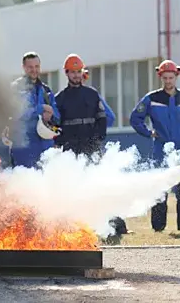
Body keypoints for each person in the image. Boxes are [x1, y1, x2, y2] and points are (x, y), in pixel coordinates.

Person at [55, 54, 129, 235]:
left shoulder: (92, 94)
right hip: (70, 151)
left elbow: (102, 118)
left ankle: (114, 226)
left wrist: (97, 140)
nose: (76, 75)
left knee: (101, 186)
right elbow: (56, 126)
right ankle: (75, 226)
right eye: (72, 72)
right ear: (66, 73)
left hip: (91, 147)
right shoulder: (60, 98)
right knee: (73, 189)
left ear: (82, 72)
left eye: (78, 71)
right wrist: (61, 144)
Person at [130, 60, 180, 233]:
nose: (168, 81)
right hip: (161, 149)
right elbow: (135, 119)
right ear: (160, 77)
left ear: (177, 76)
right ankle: (158, 227)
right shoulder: (151, 99)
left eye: (171, 77)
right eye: (165, 78)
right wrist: (149, 133)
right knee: (160, 189)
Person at [6, 52, 60, 168]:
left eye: (37, 67)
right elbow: (16, 114)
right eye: (30, 67)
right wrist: (40, 109)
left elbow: (57, 115)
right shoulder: (15, 88)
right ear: (24, 68)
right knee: (24, 183)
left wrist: (51, 116)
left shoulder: (46, 90)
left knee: (46, 184)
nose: (34, 70)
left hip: (45, 148)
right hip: (23, 147)